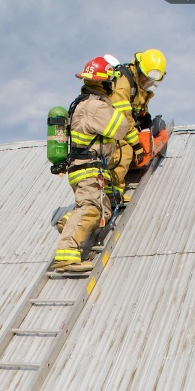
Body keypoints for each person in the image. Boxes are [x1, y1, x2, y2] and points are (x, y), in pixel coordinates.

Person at [52, 56, 138, 273]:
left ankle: (68, 222)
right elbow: (121, 128)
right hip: (89, 168)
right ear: (105, 83)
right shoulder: (96, 107)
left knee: (103, 212)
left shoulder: (82, 104)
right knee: (90, 208)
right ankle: (66, 254)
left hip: (85, 167)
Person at [109, 49, 167, 199]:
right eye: (146, 79)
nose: (147, 83)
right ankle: (113, 192)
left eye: (151, 82)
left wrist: (145, 120)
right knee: (125, 150)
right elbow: (122, 118)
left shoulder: (140, 85)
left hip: (126, 126)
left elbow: (138, 108)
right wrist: (136, 144)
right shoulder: (123, 84)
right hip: (111, 127)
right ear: (139, 70)